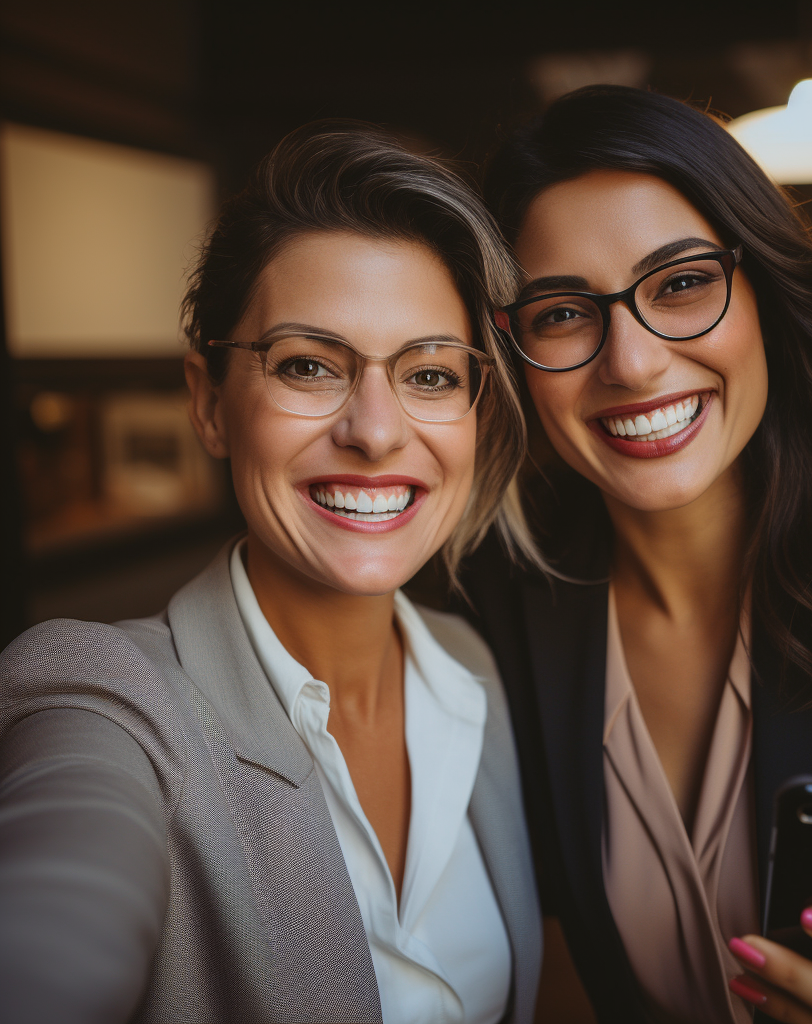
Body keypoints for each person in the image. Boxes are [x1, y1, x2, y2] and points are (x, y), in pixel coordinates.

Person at [457, 85, 812, 1024]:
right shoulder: (493, 610)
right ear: (515, 355)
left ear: (763, 289)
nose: (631, 364)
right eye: (562, 312)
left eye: (680, 283)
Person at [0, 121, 542, 1024]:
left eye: (431, 375)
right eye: (307, 365)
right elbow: (52, 924)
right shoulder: (109, 700)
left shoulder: (472, 669)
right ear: (209, 403)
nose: (375, 430)